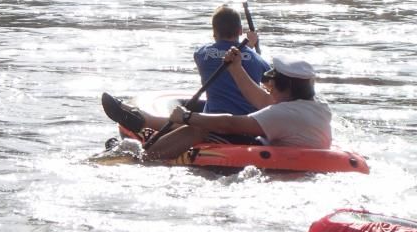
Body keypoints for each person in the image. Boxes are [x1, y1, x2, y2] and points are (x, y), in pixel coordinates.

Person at [103, 50, 331, 161]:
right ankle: (144, 122)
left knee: (200, 128)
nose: (268, 85)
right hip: (295, 153)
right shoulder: (318, 106)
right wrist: (236, 68)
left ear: (286, 85)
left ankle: (144, 157)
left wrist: (187, 117)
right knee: (205, 124)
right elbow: (262, 100)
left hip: (274, 158)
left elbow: (231, 123)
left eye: (271, 81)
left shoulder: (284, 113)